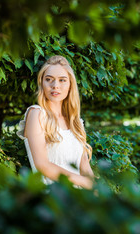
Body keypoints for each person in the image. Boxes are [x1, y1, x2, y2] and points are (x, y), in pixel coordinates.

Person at [17, 55, 95, 189]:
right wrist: (84, 182)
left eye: (62, 80)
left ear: (70, 85)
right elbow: (43, 165)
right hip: (51, 198)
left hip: (80, 199)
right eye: (49, 80)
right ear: (42, 82)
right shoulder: (37, 114)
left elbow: (85, 167)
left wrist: (96, 190)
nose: (55, 86)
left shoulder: (76, 122)